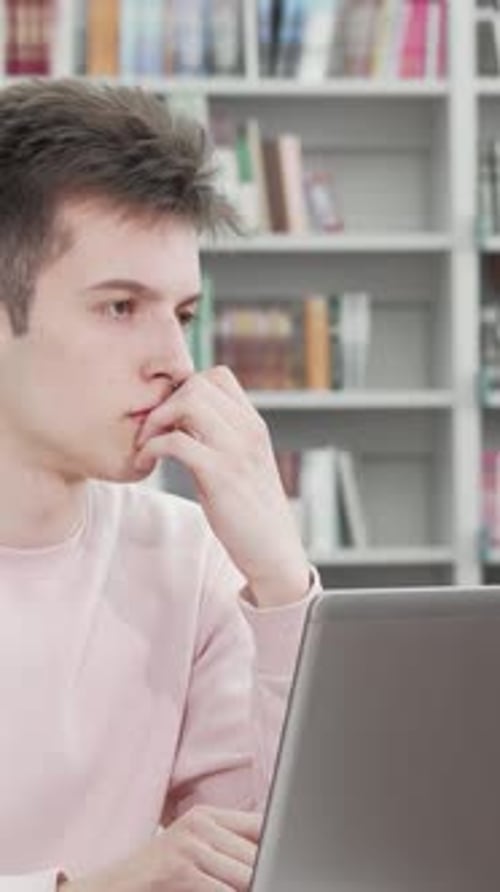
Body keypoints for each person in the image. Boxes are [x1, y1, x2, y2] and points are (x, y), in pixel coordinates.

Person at [0, 79, 320, 892]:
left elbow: (294, 854)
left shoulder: (190, 557)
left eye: (180, 313)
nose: (174, 363)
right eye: (119, 307)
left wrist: (280, 581)